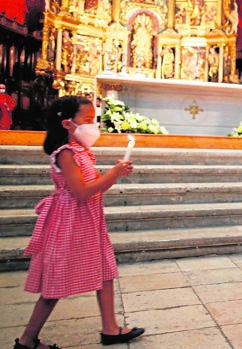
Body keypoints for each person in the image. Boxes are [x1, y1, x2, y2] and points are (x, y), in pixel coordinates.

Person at [14, 96, 145, 349]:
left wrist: (115, 174)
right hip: (70, 220)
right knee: (55, 284)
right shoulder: (65, 153)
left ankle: (110, 328)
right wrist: (113, 173)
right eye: (87, 120)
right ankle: (26, 341)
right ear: (66, 124)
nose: (92, 125)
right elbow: (81, 192)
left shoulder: (83, 152)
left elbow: (96, 188)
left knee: (105, 271)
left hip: (89, 219)